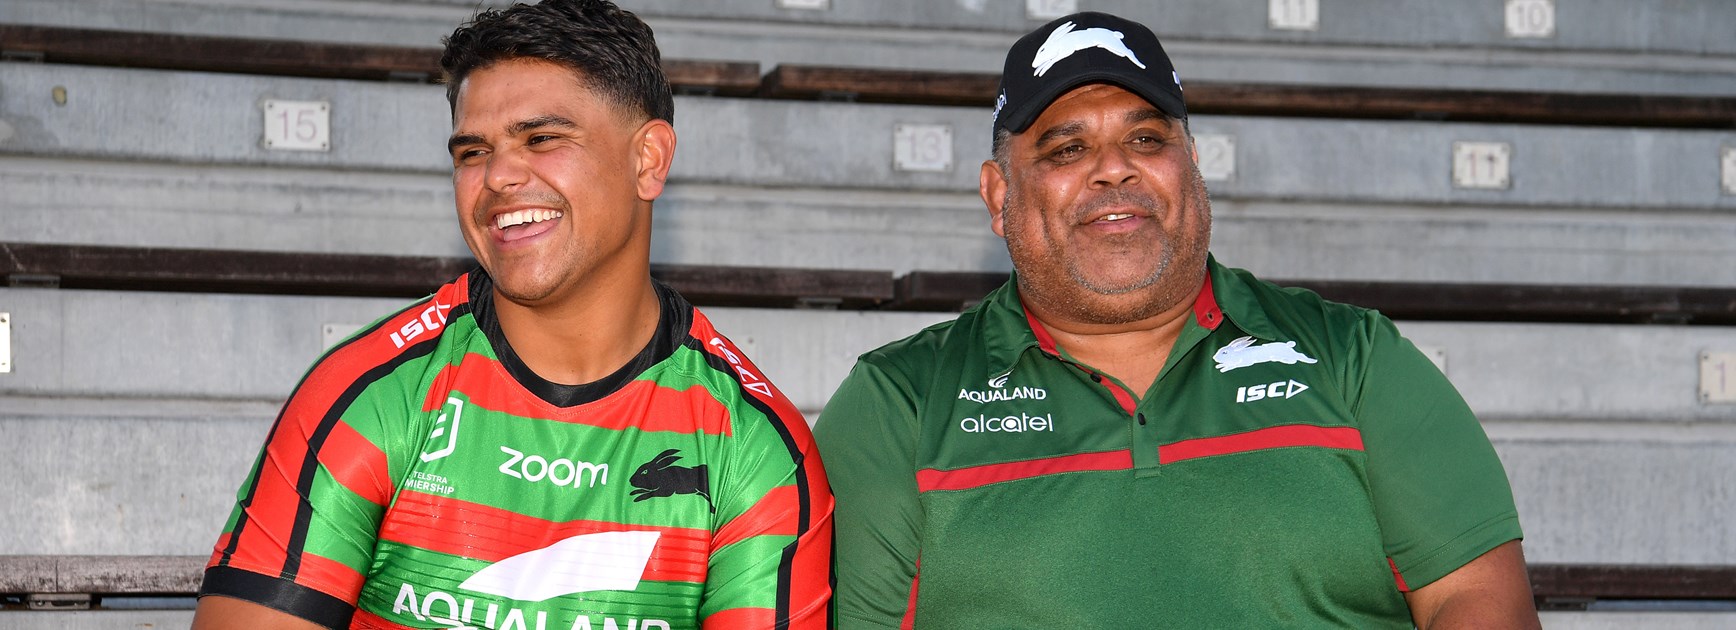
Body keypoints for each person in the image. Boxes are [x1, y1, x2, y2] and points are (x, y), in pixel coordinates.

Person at [815, 11, 1538, 629]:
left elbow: (1478, 599)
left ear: (1190, 165)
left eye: (1146, 140)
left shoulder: (1354, 358)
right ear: (998, 192)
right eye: (1067, 149)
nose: (1114, 170)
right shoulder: (899, 403)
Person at [191, 2, 832, 628]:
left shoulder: (753, 446)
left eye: (542, 138)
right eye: (472, 152)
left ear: (649, 159)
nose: (497, 176)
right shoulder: (371, 393)